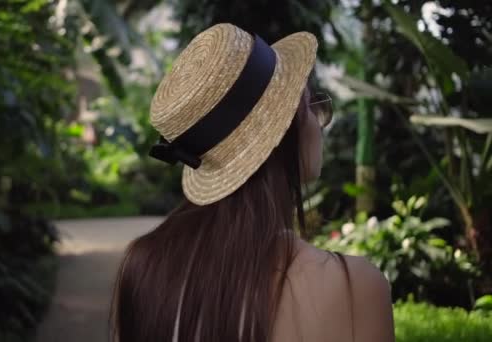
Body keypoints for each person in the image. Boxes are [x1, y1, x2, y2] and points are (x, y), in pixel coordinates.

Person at [108, 23, 394, 342]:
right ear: (287, 132)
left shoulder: (142, 265)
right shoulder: (353, 287)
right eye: (312, 106)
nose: (319, 123)